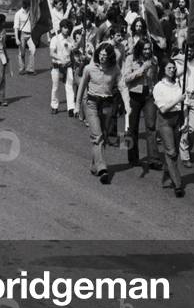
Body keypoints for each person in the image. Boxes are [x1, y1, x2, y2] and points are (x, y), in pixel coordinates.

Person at [74, 42, 121, 184]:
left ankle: (94, 166)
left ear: (110, 57)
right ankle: (102, 168)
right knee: (97, 135)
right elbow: (81, 87)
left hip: (107, 104)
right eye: (100, 54)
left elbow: (122, 86)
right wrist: (77, 106)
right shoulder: (89, 68)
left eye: (105, 55)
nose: (102, 57)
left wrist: (127, 106)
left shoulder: (115, 69)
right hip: (92, 104)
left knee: (103, 136)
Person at [123, 38, 162, 170]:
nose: (147, 51)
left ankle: (153, 159)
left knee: (151, 126)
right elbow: (126, 78)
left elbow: (156, 77)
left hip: (149, 96)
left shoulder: (154, 60)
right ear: (139, 49)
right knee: (132, 128)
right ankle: (132, 158)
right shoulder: (130, 59)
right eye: (144, 49)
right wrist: (141, 69)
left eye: (148, 48)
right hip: (134, 96)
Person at [153, 58, 185, 197]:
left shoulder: (179, 84)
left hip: (177, 118)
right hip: (165, 120)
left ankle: (168, 174)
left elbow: (184, 105)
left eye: (173, 68)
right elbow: (164, 109)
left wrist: (185, 120)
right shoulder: (158, 87)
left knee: (174, 152)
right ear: (163, 70)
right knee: (171, 151)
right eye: (169, 68)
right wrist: (178, 99)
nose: (172, 70)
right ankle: (178, 185)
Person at [49, 18, 76, 116]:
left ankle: (71, 108)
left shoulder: (71, 40)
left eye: (68, 28)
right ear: (61, 28)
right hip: (56, 66)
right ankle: (54, 106)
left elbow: (72, 54)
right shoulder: (55, 39)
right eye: (65, 27)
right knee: (55, 87)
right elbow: (51, 53)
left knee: (69, 86)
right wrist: (60, 58)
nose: (67, 30)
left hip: (68, 66)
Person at [13, 0, 35, 75]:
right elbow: (16, 27)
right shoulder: (18, 14)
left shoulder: (31, 13)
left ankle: (30, 69)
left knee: (33, 50)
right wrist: (16, 38)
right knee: (22, 53)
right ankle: (21, 68)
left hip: (30, 34)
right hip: (22, 34)